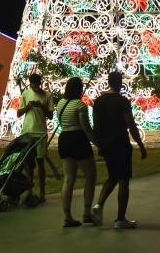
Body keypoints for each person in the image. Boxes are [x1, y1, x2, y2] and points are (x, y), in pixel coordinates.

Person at [91, 71, 147, 230]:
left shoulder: (99, 101)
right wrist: (141, 146)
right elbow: (131, 125)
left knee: (113, 176)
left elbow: (96, 126)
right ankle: (120, 219)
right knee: (123, 180)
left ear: (108, 82)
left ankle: (99, 204)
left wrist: (100, 144)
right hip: (121, 144)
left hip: (107, 145)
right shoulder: (122, 101)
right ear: (120, 83)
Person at [57, 77, 96, 227]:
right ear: (79, 89)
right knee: (91, 175)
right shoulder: (80, 105)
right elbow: (86, 128)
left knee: (68, 179)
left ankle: (67, 216)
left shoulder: (60, 103)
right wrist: (98, 143)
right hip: (78, 140)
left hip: (64, 139)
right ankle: (87, 213)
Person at [17, 72, 54, 205]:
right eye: (33, 85)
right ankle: (29, 190)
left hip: (41, 133)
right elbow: (18, 113)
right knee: (28, 162)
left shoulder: (47, 95)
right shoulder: (26, 94)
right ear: (30, 84)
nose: (35, 87)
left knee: (40, 162)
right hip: (27, 132)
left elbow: (50, 116)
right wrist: (28, 107)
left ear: (40, 83)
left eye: (37, 85)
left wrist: (41, 106)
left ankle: (43, 192)